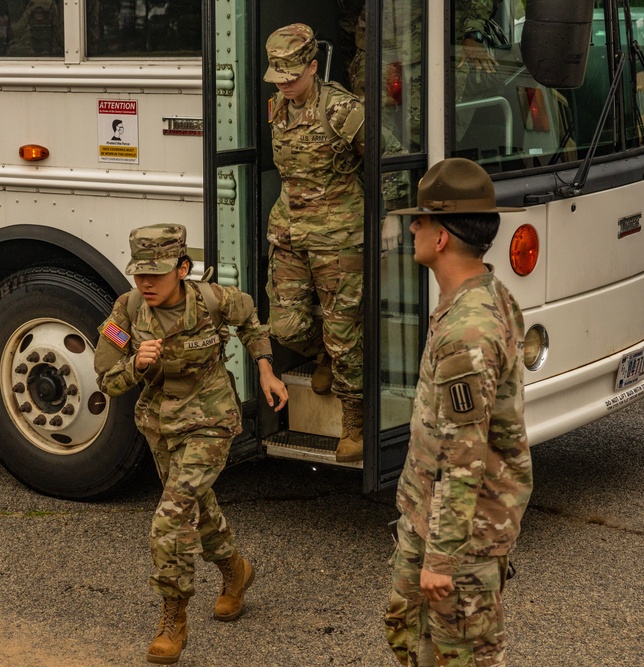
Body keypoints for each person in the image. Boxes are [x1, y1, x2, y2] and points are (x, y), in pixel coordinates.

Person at [94, 224, 288, 665]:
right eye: (139, 273)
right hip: (160, 424)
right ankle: (235, 571)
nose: (146, 283)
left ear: (183, 269)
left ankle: (173, 617)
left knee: (171, 516)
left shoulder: (215, 300)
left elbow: (251, 321)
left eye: (157, 274)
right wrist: (136, 365)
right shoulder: (125, 312)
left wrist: (265, 368)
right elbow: (107, 379)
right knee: (197, 507)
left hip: (211, 420)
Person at [383, 158, 533, 666]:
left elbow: (464, 455)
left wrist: (442, 559)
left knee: (458, 655)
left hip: (462, 539)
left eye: (420, 219)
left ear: (442, 237)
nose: (412, 226)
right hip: (432, 518)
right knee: (408, 635)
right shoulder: (479, 294)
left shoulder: (467, 332)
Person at [263, 23, 366, 463]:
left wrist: (390, 221)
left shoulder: (343, 110)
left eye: (293, 75)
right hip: (289, 231)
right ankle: (321, 353)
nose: (285, 83)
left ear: (312, 66)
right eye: (278, 76)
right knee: (285, 326)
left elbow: (387, 161)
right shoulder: (277, 109)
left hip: (338, 236)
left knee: (345, 333)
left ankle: (354, 424)